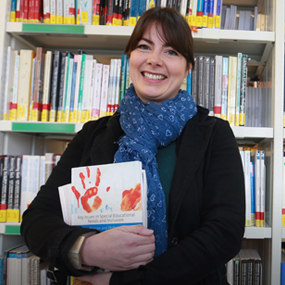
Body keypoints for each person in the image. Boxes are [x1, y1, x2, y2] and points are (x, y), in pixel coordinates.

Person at [21, 7, 245, 285]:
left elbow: (225, 232)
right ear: (130, 57)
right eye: (144, 46)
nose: (154, 60)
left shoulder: (213, 134)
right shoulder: (93, 134)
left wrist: (125, 281)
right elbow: (37, 219)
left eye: (171, 51)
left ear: (188, 68)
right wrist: (85, 249)